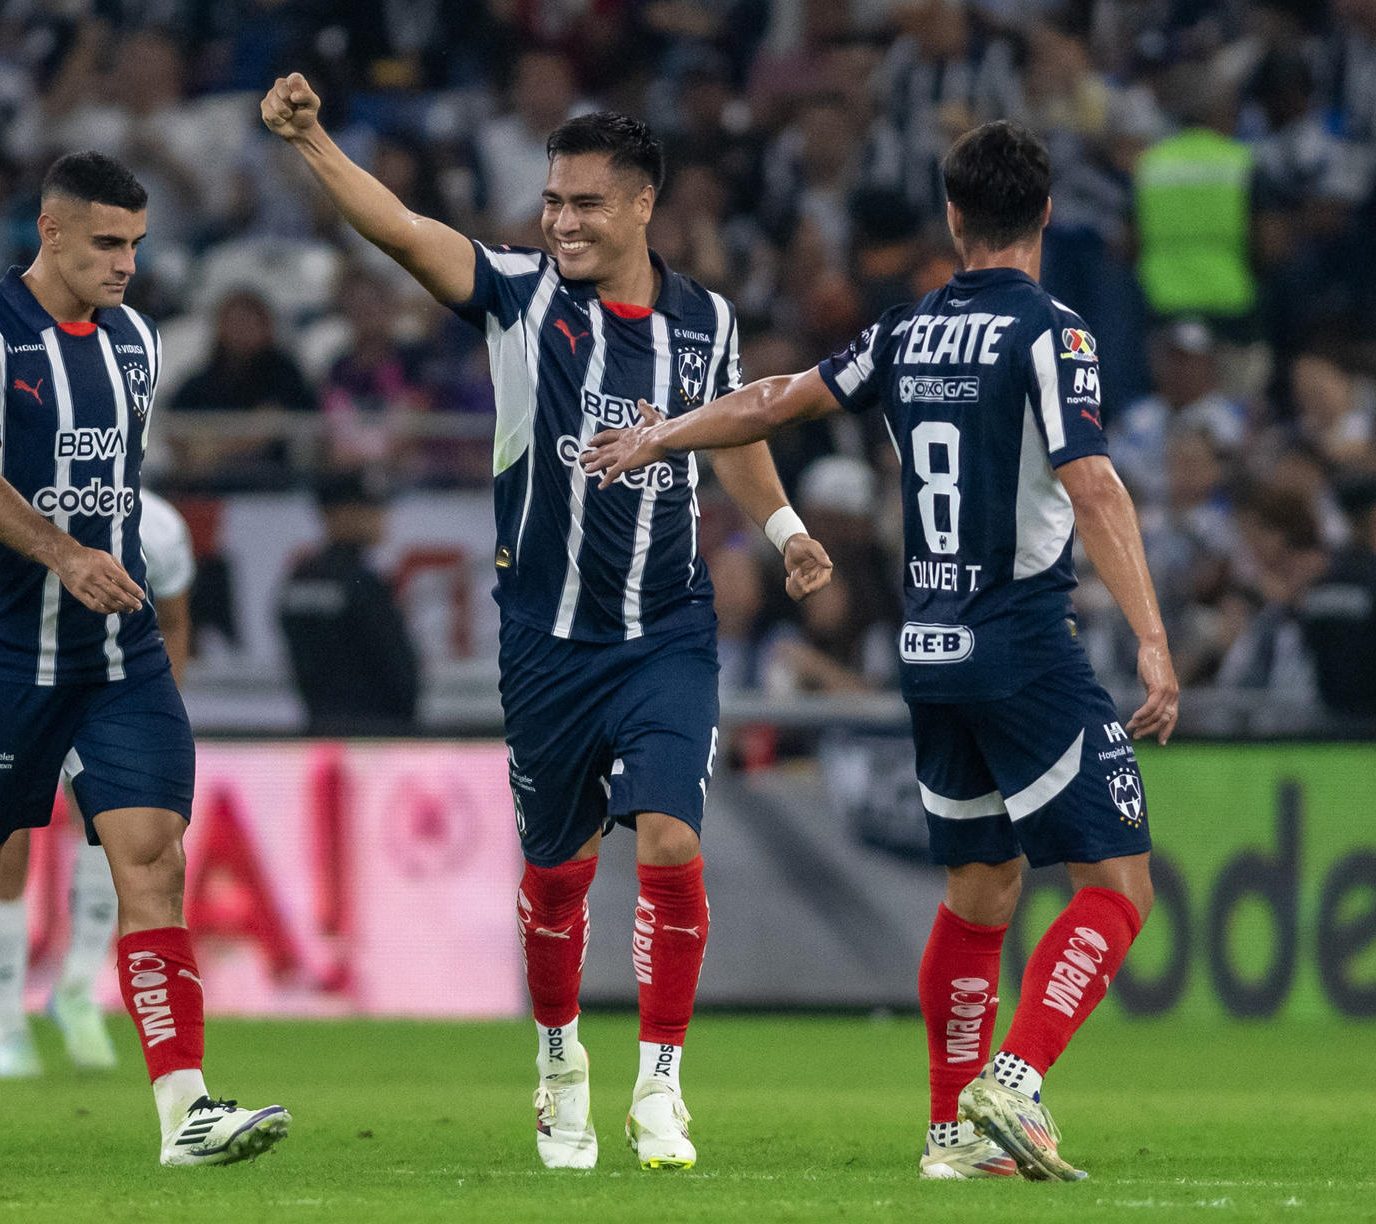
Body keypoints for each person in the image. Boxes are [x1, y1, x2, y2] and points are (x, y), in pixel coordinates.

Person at [582, 120, 1179, 1182]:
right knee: (1118, 889)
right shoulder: (1054, 333)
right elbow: (1092, 482)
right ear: (1043, 214)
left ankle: (953, 1136)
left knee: (980, 890)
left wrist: (661, 433)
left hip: (929, 646)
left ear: (952, 219)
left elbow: (777, 400)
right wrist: (1153, 640)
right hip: (1024, 641)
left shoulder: (907, 331)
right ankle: (1020, 1085)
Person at [264, 75, 833, 1171]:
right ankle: (559, 1063)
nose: (561, 221)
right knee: (557, 879)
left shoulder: (704, 319)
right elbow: (403, 232)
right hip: (545, 646)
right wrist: (315, 143)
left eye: (584, 202)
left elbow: (736, 430)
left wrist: (786, 529)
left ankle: (661, 1085)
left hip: (666, 630)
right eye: (552, 201)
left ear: (641, 207)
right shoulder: (522, 297)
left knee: (670, 838)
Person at [0, 151, 287, 1168]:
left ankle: (185, 1108)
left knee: (151, 857)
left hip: (117, 652)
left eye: (136, 245)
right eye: (106, 242)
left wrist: (108, 567)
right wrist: (62, 553)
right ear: (50, 234)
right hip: (4, 650)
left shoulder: (136, 339)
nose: (126, 264)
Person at [0, 490, 196, 1078]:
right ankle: (7, 1027)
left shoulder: (158, 528)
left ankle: (76, 989)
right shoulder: (1, 509)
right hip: (12, 691)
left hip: (108, 697)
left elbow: (174, 623)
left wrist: (159, 721)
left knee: (123, 841)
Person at [277, 469, 422, 735]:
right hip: (378, 736)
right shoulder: (363, 583)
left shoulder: (299, 579)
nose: (380, 516)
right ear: (338, 513)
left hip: (320, 732)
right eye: (368, 507)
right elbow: (399, 673)